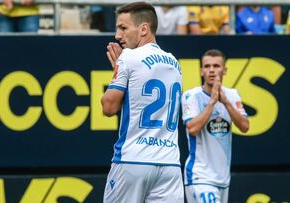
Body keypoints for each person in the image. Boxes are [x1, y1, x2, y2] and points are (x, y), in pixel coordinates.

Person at [101, 2, 184, 203]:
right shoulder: (175, 63)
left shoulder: (128, 57)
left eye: (123, 28)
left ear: (143, 29)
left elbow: (109, 107)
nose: (117, 35)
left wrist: (117, 72)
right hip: (170, 165)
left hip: (133, 160)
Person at [181, 49, 249, 203]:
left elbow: (245, 126)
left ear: (224, 70)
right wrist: (212, 102)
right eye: (207, 66)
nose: (211, 70)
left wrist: (225, 102)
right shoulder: (191, 96)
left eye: (216, 66)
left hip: (223, 178)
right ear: (201, 71)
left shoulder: (232, 95)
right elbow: (192, 129)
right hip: (200, 177)